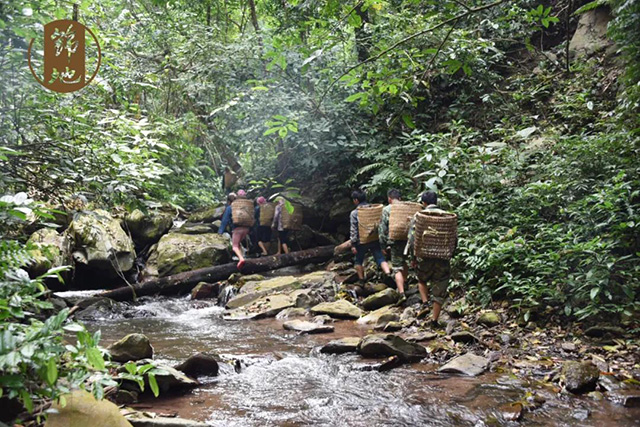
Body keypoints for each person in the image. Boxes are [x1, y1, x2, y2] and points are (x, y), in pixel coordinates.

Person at [406, 191, 453, 327]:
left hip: (424, 257)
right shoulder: (447, 216)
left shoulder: (419, 216)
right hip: (442, 258)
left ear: (424, 203)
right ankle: (434, 320)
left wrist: (413, 257)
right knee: (440, 286)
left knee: (421, 279)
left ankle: (425, 303)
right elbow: (453, 238)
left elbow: (412, 239)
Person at [349, 189, 391, 283]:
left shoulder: (355, 213)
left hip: (361, 241)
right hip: (375, 238)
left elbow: (354, 230)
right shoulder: (374, 210)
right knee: (380, 257)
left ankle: (361, 280)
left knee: (358, 260)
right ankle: (388, 273)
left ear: (356, 200)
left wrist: (353, 244)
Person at [379, 189, 408, 296]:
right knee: (404, 262)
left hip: (394, 241)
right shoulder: (407, 208)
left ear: (389, 199)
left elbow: (382, 229)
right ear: (400, 198)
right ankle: (405, 282)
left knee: (397, 267)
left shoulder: (386, 210)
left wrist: (382, 245)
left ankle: (401, 293)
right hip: (407, 240)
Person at [218, 190, 251, 270]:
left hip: (237, 229)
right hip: (246, 228)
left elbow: (225, 220)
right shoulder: (244, 207)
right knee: (238, 243)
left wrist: (220, 232)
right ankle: (243, 256)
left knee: (234, 246)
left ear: (229, 201)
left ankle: (241, 259)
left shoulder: (230, 207)